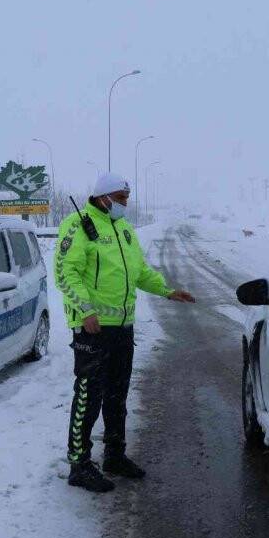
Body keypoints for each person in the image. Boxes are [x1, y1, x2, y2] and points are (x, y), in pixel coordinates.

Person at [55, 172, 195, 493]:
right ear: (103, 196)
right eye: (120, 198)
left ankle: (114, 455)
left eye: (126, 199)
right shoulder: (78, 227)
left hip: (122, 329)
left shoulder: (125, 231)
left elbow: (140, 271)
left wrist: (167, 290)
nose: (124, 204)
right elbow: (66, 273)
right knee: (89, 396)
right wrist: (86, 310)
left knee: (117, 395)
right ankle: (79, 463)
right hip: (93, 329)